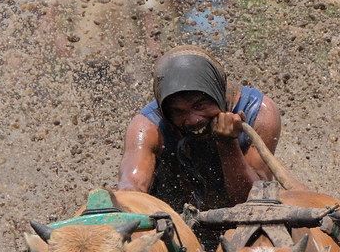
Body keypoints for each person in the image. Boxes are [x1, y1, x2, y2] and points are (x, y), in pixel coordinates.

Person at [117, 45, 280, 226]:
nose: (193, 120)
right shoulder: (147, 127)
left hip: (243, 223)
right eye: (179, 111)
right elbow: (131, 189)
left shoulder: (259, 112)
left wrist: (228, 144)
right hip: (173, 223)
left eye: (200, 105)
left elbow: (255, 203)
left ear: (218, 92)